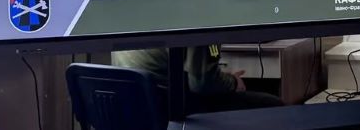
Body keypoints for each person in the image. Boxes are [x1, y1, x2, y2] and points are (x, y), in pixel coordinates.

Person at [112, 45, 284, 114]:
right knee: (274, 107)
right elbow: (201, 84)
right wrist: (233, 82)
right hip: (170, 107)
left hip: (133, 108)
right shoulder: (205, 16)